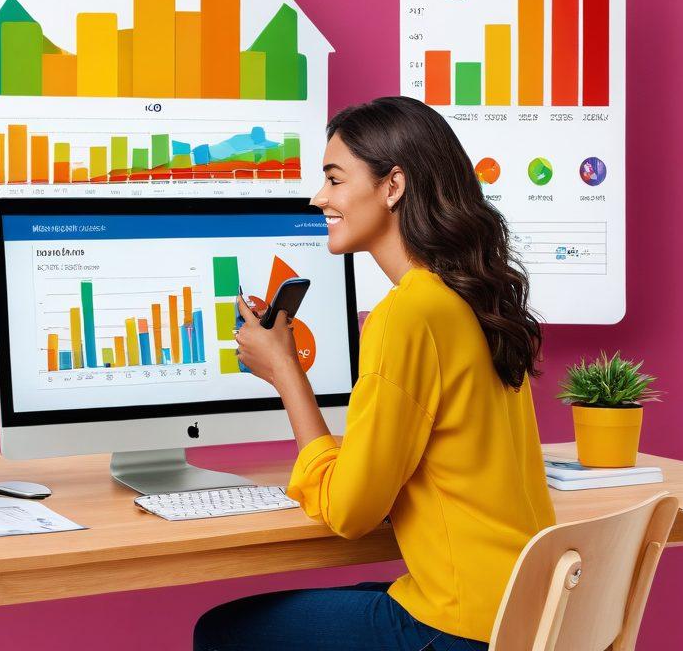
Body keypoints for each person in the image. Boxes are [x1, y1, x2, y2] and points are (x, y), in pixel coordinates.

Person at [194, 97, 555, 651]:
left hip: (464, 626)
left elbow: (350, 513)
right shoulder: (470, 298)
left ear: (393, 186)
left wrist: (286, 371)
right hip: (528, 610)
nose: (318, 197)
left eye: (334, 179)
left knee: (222, 634)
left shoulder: (406, 314)